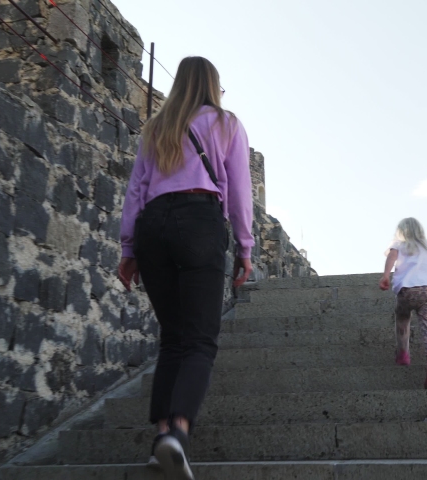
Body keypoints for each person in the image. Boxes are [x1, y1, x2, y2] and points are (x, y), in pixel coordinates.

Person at [117, 56, 253, 480]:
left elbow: (136, 188)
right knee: (198, 340)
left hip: (153, 227)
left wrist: (128, 248)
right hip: (199, 220)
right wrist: (246, 247)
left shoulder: (156, 127)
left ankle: (162, 437)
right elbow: (240, 191)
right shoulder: (226, 123)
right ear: (213, 85)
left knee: (173, 338)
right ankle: (177, 431)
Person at [378, 218, 427, 389]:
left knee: (402, 318)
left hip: (407, 290)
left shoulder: (398, 243)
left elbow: (392, 257)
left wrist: (386, 275)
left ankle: (403, 353)